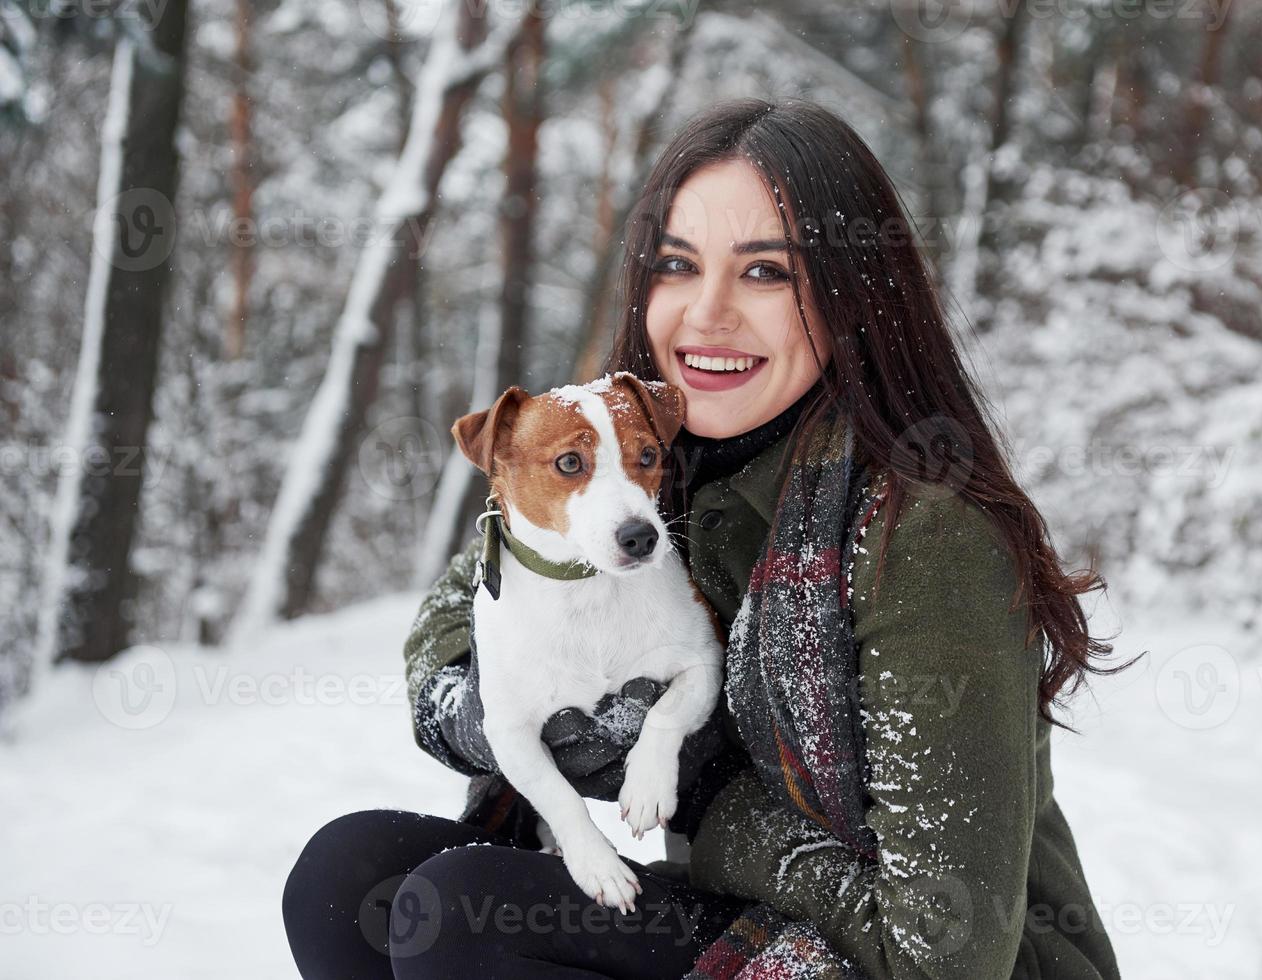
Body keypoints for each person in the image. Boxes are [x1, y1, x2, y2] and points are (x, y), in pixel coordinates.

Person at [283, 98, 1128, 980]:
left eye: (766, 273)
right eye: (677, 266)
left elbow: (942, 954)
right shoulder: (632, 452)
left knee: (459, 918)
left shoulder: (920, 536)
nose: (707, 314)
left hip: (926, 961)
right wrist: (491, 720)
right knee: (352, 878)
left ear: (851, 297)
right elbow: (467, 603)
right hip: (761, 907)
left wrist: (704, 784)